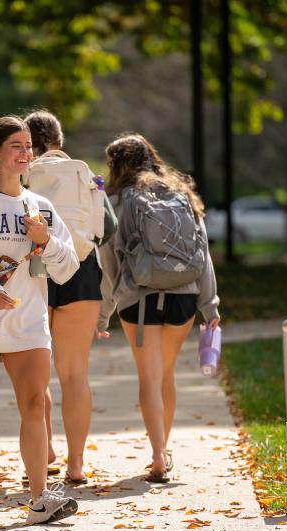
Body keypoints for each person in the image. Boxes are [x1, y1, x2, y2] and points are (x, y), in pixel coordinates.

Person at [0, 115, 81, 524]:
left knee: (34, 403)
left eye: (28, 147)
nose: (25, 154)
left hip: (28, 318)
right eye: (16, 147)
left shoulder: (40, 205)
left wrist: (46, 241)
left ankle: (40, 497)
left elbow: (68, 267)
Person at [98, 133, 220, 483]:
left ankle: (156, 457)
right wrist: (210, 306)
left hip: (140, 297)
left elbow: (108, 262)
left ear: (117, 165)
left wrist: (104, 311)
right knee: (165, 375)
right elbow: (204, 253)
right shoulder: (182, 195)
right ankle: (163, 447)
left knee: (148, 378)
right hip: (183, 293)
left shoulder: (117, 200)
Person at [24, 110, 118, 485]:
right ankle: (76, 464)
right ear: (59, 139)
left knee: (37, 369)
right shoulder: (85, 175)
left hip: (39, 270)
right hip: (82, 272)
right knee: (75, 373)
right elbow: (107, 228)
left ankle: (44, 449)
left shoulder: (25, 174)